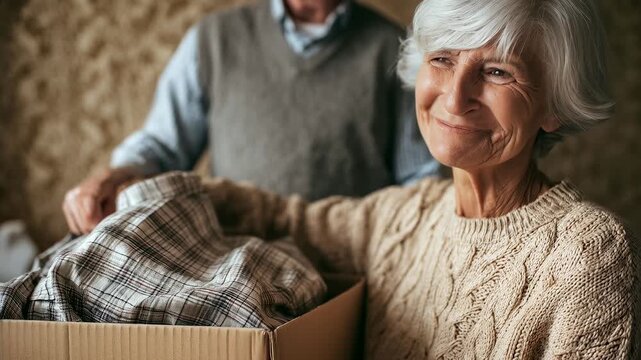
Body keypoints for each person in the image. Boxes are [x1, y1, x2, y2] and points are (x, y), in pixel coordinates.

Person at [193, 0, 640, 358]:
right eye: (442, 58)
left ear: (554, 105)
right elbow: (282, 219)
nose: (455, 96)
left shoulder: (589, 253)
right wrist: (148, 192)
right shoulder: (406, 214)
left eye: (498, 71)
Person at [61, 0, 440, 235]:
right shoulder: (213, 40)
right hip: (232, 266)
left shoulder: (395, 48)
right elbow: (161, 149)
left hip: (352, 276)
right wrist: (110, 179)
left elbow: (418, 182)